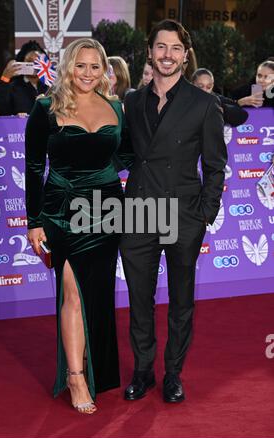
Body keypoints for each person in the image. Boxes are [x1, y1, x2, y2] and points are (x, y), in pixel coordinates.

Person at [120, 19, 227, 403]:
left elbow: (216, 166)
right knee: (139, 299)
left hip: (184, 214)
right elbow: (125, 153)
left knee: (181, 299)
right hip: (138, 211)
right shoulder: (132, 101)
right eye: (161, 47)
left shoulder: (204, 103)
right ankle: (144, 371)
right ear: (150, 52)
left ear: (186, 55)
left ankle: (174, 374)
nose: (167, 55)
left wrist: (204, 213)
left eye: (176, 48)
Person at [25, 38, 133, 414]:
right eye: (80, 66)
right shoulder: (45, 107)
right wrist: (35, 220)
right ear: (68, 67)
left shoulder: (116, 107)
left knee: (99, 292)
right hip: (62, 210)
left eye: (94, 66)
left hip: (107, 210)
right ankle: (75, 376)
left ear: (104, 69)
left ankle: (94, 367)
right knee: (71, 291)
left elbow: (128, 156)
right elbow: (35, 167)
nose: (87, 73)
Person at [0, 40, 48, 116]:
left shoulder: (51, 86)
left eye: (38, 61)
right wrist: (4, 79)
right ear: (21, 62)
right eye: (29, 61)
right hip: (18, 127)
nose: (34, 65)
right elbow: (0, 110)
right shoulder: (12, 87)